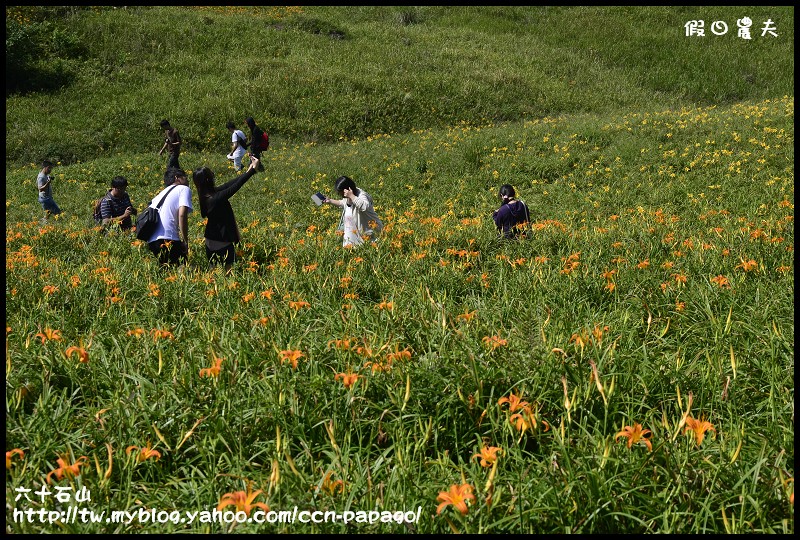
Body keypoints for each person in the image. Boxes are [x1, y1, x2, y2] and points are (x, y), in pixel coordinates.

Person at [193, 155, 261, 271]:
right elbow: (234, 187)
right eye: (212, 175)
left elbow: (230, 184)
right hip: (221, 242)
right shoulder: (215, 198)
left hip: (211, 240)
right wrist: (253, 170)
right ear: (209, 180)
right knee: (227, 272)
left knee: (214, 271)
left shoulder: (207, 195)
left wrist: (250, 170)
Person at [146, 167, 193, 266]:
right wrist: (185, 241)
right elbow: (182, 214)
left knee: (166, 271)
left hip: (152, 241)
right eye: (185, 177)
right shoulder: (183, 189)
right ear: (177, 178)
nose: (188, 180)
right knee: (182, 269)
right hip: (168, 238)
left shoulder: (160, 194)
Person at [322, 176, 383, 247]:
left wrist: (352, 196)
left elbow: (365, 206)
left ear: (347, 189)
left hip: (371, 231)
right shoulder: (349, 196)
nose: (340, 195)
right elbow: (343, 203)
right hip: (360, 233)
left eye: (340, 192)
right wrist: (330, 200)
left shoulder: (361, 195)